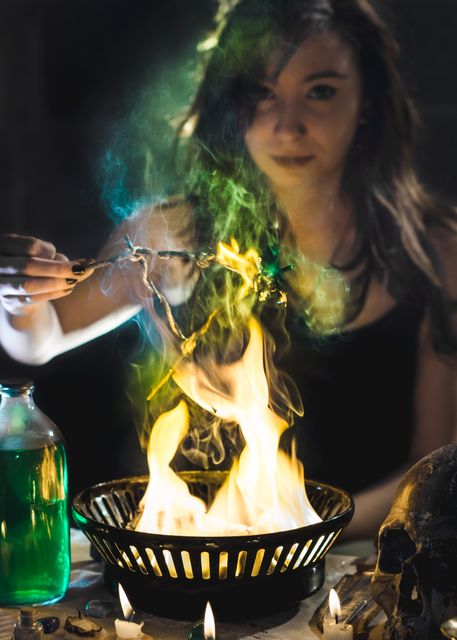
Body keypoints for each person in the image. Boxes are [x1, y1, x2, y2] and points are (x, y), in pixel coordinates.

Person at [0, 0, 456, 540]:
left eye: (321, 91)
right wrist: (19, 298)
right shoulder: (176, 236)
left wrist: (293, 533)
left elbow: (434, 468)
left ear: (368, 103)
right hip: (194, 564)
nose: (288, 125)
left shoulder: (436, 253)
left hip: (359, 564)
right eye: (262, 93)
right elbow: (41, 339)